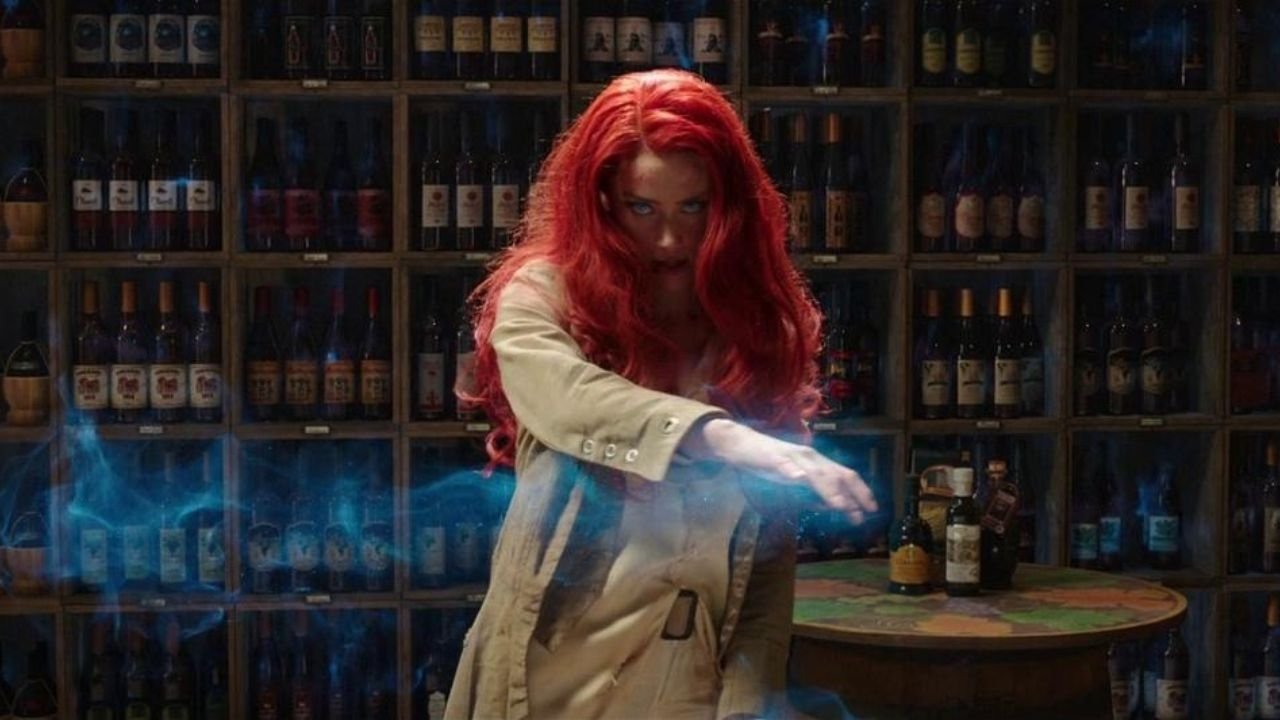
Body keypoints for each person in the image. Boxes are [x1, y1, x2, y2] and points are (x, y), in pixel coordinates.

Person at [445, 69, 877, 720]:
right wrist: (726, 437)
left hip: (689, 683)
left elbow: (766, 571)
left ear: (728, 206)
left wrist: (748, 701)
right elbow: (569, 400)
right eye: (642, 208)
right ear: (602, 202)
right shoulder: (544, 296)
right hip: (548, 682)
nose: (670, 239)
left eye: (692, 207)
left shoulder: (757, 332)